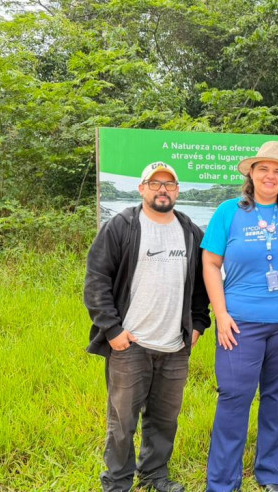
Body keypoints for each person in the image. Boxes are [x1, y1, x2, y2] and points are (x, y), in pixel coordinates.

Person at [201, 141, 278, 492]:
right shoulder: (229, 212)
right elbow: (211, 264)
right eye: (264, 169)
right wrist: (221, 313)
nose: (270, 175)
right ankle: (223, 483)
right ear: (251, 174)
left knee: (277, 394)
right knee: (233, 396)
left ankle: (270, 474)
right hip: (240, 323)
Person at [84, 161, 211, 492]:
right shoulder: (121, 226)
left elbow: (202, 286)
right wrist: (112, 330)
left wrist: (198, 322)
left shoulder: (190, 231)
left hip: (175, 346)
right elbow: (96, 281)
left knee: (165, 420)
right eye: (155, 184)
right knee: (122, 424)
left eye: (169, 184)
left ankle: (154, 476)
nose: (163, 190)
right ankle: (117, 483)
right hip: (130, 344)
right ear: (141, 189)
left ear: (177, 191)